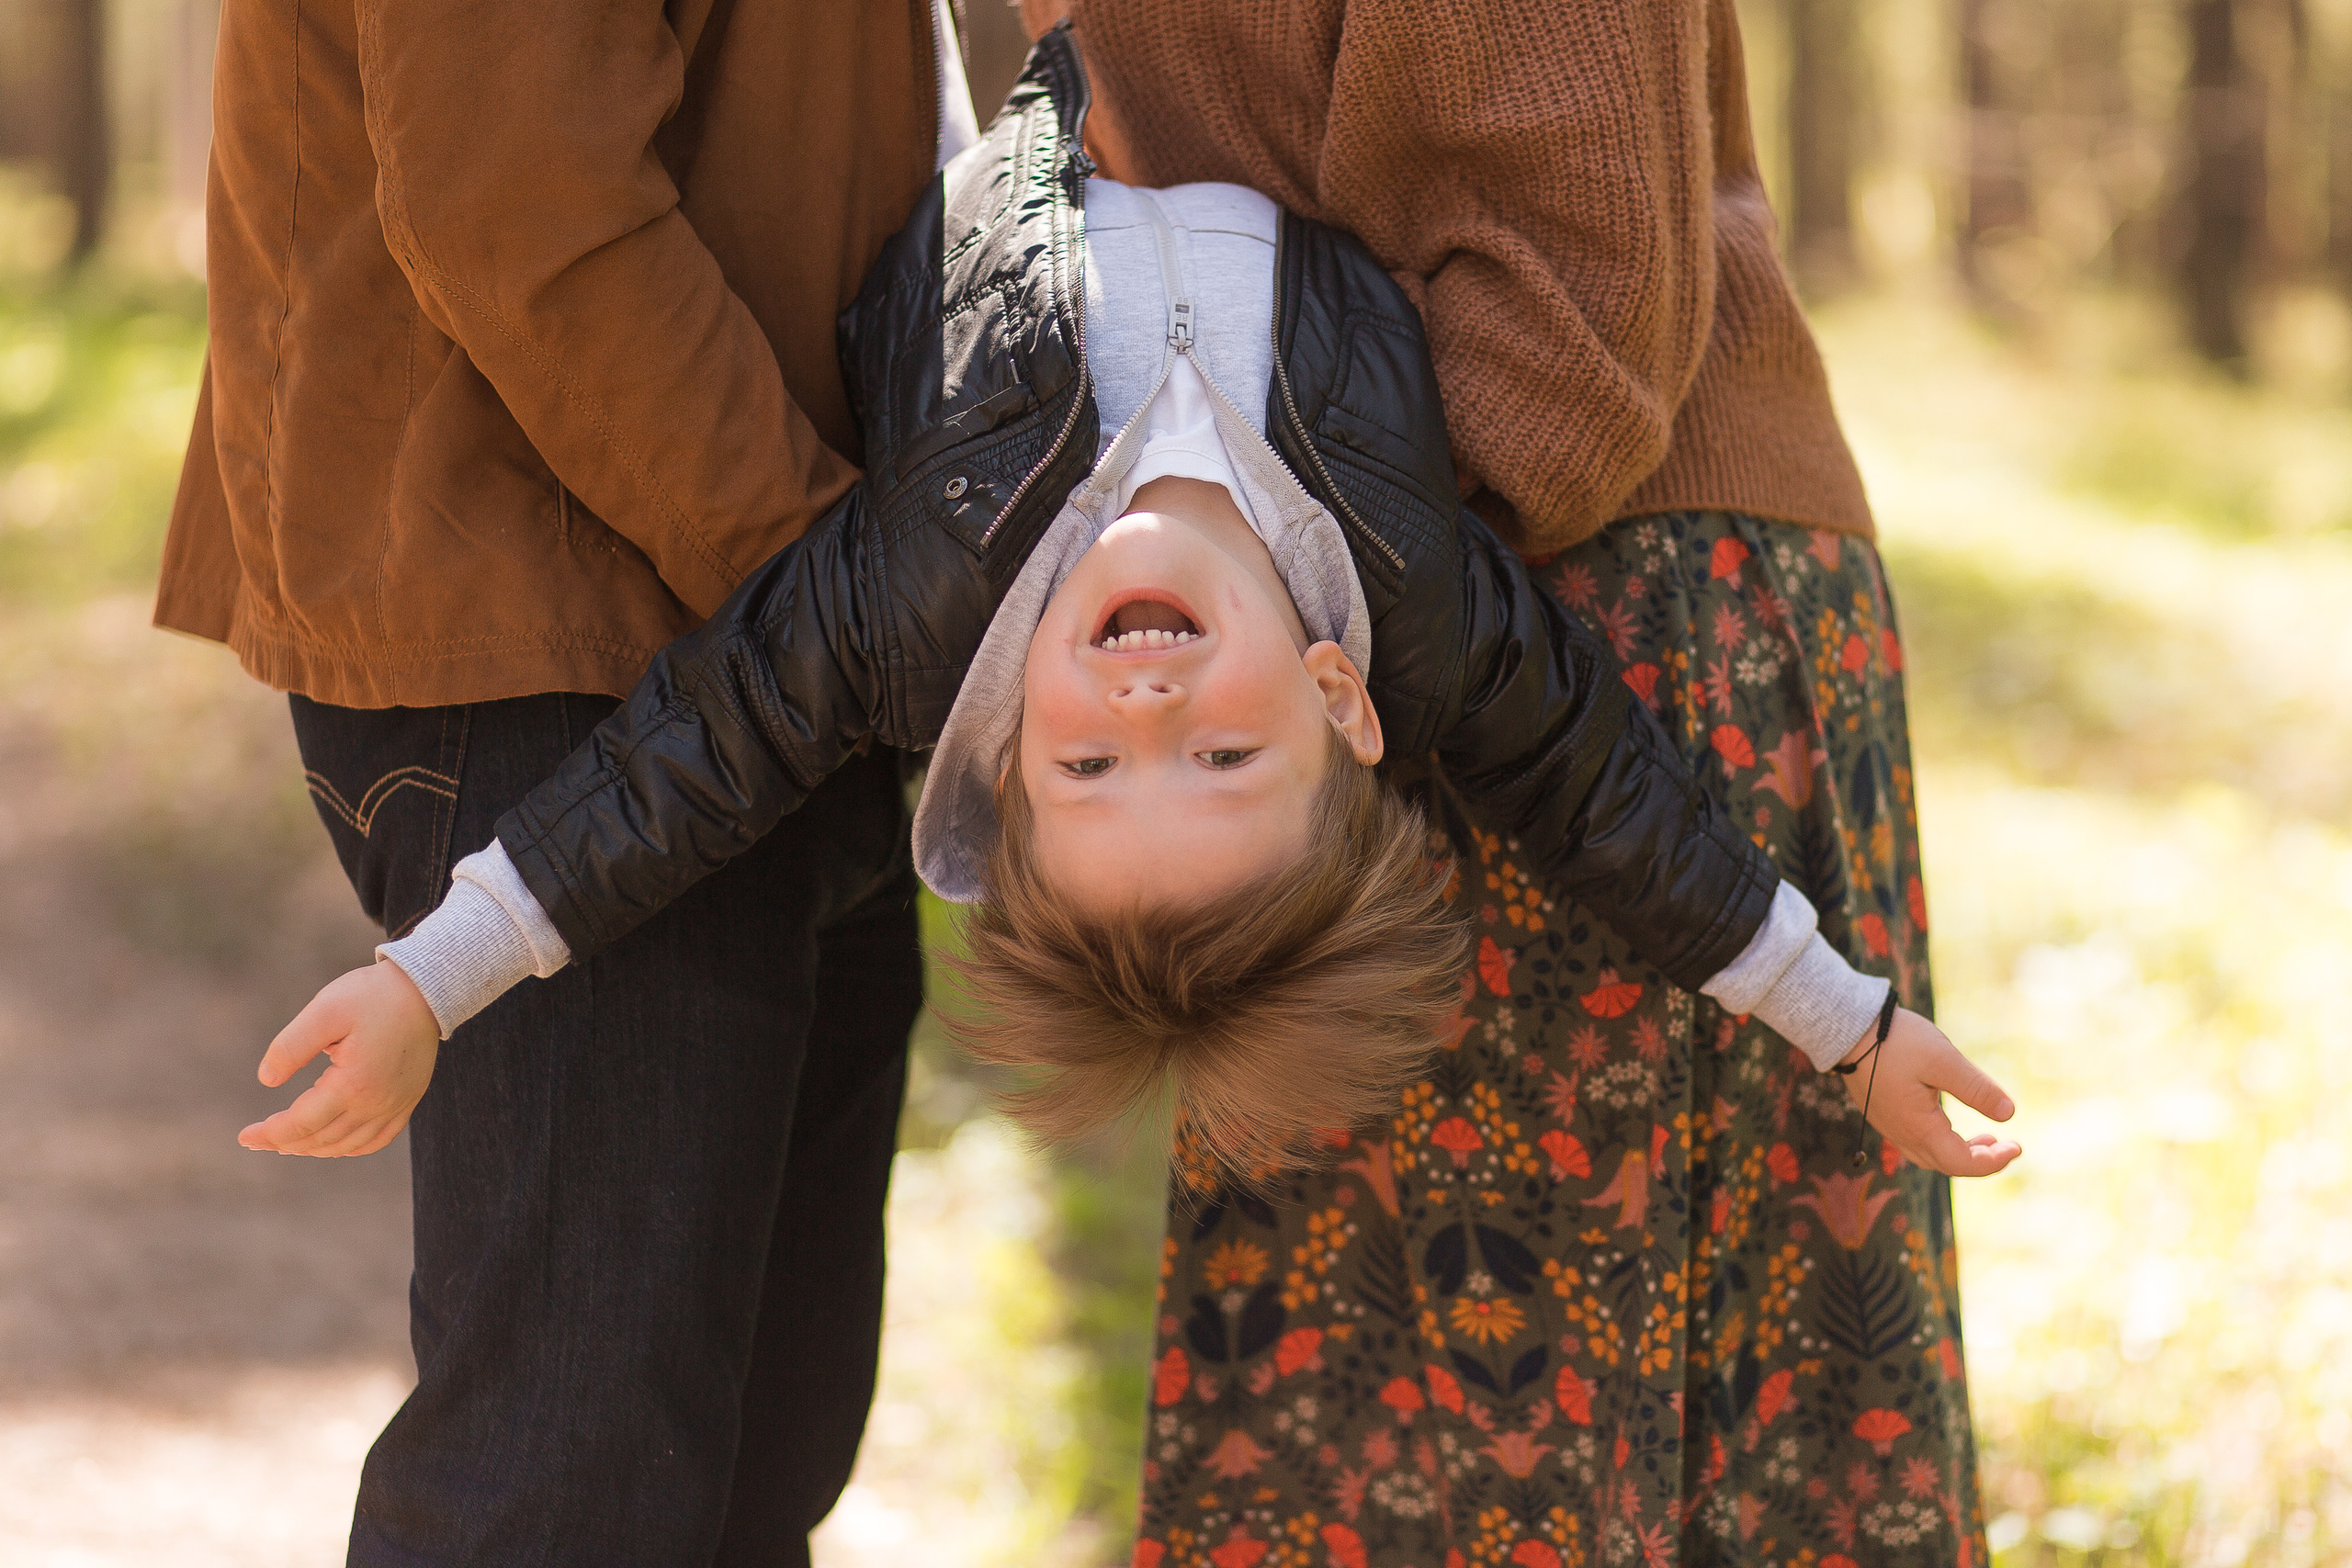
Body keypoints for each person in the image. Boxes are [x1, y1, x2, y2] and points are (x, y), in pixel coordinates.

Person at [243, 36, 2018, 1195]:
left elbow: (675, 775)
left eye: (1092, 766)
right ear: (1343, 699)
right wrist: (1847, 1027)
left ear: (1012, 743)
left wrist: (430, 981)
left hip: (1004, 121)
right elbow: (1614, 806)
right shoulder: (1414, 586)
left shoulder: (915, 602)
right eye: (1226, 754)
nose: (1151, 705)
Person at [1043, 1, 2004, 1562]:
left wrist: (1250, 602)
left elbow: (1568, 341)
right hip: (1305, 627)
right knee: (1348, 1460)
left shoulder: (1307, 655)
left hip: (1582, 597)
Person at [153, 0, 978, 1560]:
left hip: (783, 622)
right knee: (566, 1492)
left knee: (753, 1461)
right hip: (577, 617)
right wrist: (836, 596)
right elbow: (522, 197)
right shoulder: (799, 596)